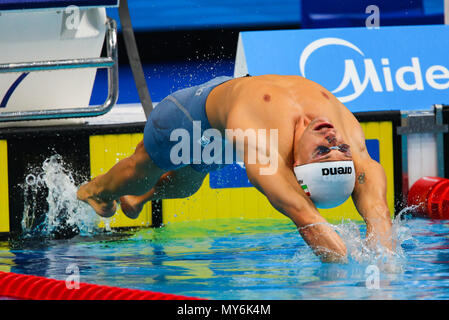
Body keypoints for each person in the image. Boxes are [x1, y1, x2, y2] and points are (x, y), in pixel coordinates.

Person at [77, 74, 393, 262]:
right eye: (337, 148)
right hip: (189, 118)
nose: (332, 136)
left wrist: (366, 263)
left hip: (236, 125)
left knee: (190, 182)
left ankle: (141, 199)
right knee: (142, 170)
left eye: (326, 150)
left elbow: (324, 216)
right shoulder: (337, 130)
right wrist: (367, 248)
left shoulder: (273, 150)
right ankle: (95, 190)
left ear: (296, 165)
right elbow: (316, 212)